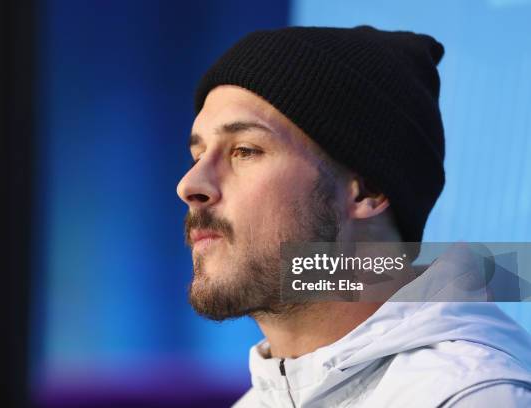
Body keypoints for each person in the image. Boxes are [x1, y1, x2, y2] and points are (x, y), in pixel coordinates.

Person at [176, 26, 531, 407]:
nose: (189, 185)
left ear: (367, 190)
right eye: (198, 155)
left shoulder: (473, 396)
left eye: (244, 150)